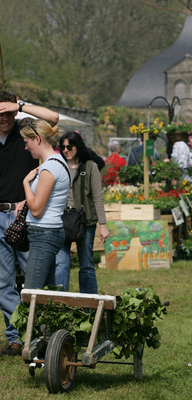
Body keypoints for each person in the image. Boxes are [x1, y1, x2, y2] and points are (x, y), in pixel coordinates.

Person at [0, 91, 58, 356]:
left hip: (25, 215)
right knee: (3, 283)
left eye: (10, 112)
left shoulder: (25, 132)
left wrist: (21, 105)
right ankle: (17, 336)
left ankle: (39, 334)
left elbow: (53, 118)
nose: (6, 118)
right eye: (1, 113)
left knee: (35, 279)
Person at [15, 119, 70, 291]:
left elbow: (37, 210)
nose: (26, 148)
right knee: (48, 293)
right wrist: (27, 201)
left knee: (32, 292)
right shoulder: (57, 162)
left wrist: (25, 183)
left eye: (27, 142)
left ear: (37, 139)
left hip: (44, 233)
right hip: (48, 232)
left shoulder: (49, 168)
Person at [55, 131, 109, 293]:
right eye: (63, 147)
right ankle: (58, 304)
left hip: (85, 221)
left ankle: (89, 305)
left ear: (77, 146)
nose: (66, 150)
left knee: (86, 265)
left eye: (69, 146)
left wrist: (103, 225)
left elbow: (98, 197)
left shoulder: (90, 166)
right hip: (62, 220)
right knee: (61, 264)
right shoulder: (58, 166)